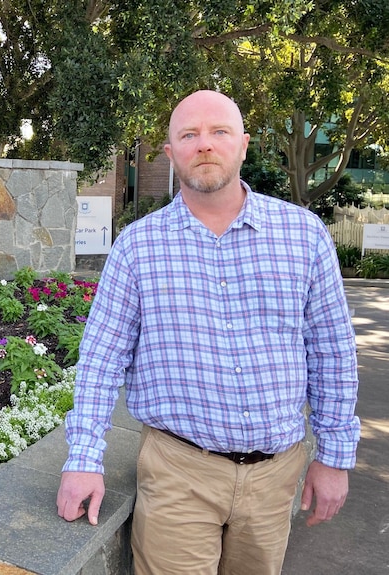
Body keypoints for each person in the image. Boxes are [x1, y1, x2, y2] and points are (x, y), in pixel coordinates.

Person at [56, 89, 360, 574]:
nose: (204, 145)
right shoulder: (139, 247)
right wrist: (84, 459)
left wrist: (335, 456)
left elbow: (332, 353)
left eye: (219, 132)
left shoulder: (304, 235)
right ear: (170, 151)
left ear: (243, 144)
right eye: (188, 134)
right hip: (178, 474)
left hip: (275, 476)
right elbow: (101, 358)